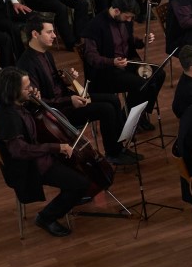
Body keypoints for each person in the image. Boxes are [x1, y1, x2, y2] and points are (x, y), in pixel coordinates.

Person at [0, 67, 93, 238]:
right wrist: (56, 148)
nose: (30, 89)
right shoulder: (7, 117)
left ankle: (71, 196)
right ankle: (46, 217)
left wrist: (35, 101)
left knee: (78, 171)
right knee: (81, 184)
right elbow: (20, 151)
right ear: (13, 90)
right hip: (27, 167)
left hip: (38, 155)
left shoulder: (16, 103)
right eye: (26, 87)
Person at [17, 15, 134, 164]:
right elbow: (37, 101)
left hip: (67, 100)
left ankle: (119, 146)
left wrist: (66, 79)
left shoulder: (46, 53)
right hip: (58, 112)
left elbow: (54, 82)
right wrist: (69, 100)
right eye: (49, 32)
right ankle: (113, 153)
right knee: (106, 109)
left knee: (112, 99)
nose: (54, 36)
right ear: (35, 34)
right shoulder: (26, 64)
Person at [78, 0, 154, 116]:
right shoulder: (95, 26)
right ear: (117, 10)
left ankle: (139, 114)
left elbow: (128, 41)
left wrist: (142, 42)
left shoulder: (126, 21)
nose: (129, 20)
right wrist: (112, 61)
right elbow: (91, 57)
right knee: (141, 84)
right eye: (127, 17)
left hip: (126, 64)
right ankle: (128, 119)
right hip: (106, 73)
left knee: (158, 74)